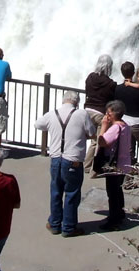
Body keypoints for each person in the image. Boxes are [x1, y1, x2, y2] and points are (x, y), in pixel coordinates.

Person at [35, 91, 96, 236]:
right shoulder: (82, 114)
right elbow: (92, 133)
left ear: (64, 101)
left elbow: (38, 125)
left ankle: (55, 224)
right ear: (77, 102)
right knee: (72, 193)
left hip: (56, 158)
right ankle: (68, 227)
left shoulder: (52, 114)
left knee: (56, 192)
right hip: (73, 160)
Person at [96, 99, 134, 231]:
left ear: (113, 114)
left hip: (114, 165)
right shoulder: (126, 126)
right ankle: (120, 213)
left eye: (108, 113)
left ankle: (114, 220)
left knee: (112, 193)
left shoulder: (115, 128)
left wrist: (103, 127)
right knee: (118, 190)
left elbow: (102, 142)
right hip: (124, 164)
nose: (107, 115)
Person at [115, 61, 139, 172]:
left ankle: (127, 178)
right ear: (133, 73)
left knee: (129, 151)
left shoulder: (118, 89)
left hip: (125, 123)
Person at [83, 54, 115, 171]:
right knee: (97, 141)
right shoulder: (111, 83)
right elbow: (111, 99)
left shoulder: (90, 77)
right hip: (100, 113)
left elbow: (87, 91)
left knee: (85, 137)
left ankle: (84, 164)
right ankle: (93, 167)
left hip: (87, 111)